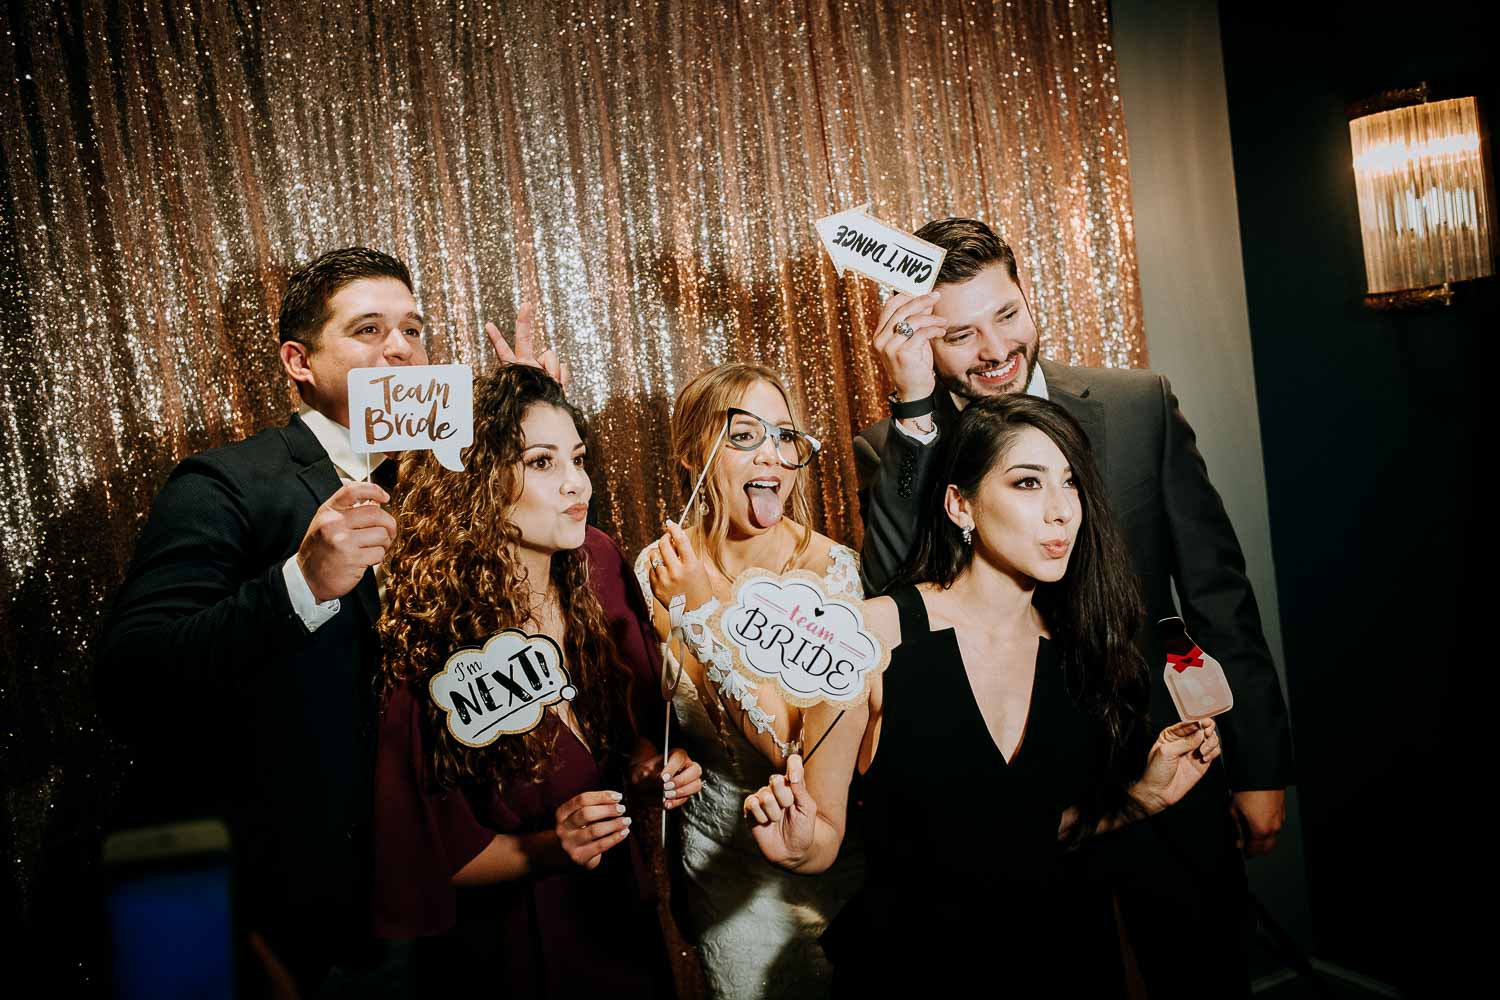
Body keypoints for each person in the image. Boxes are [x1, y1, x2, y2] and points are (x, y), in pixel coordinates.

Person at [852, 217, 1293, 994]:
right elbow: (903, 597)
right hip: (1026, 789)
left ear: (1028, 296)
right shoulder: (900, 448)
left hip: (1165, 760)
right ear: (920, 339)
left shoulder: (1138, 405)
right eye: (959, 333)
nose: (994, 349)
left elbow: (1219, 592)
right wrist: (915, 407)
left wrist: (1259, 764)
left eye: (1007, 314)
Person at [746, 394, 1222, 995]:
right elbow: (824, 837)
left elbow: (1022, 833)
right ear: (959, 505)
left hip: (1065, 959)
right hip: (917, 967)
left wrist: (1138, 799)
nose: (1060, 512)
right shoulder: (869, 636)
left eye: (1071, 484)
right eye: (1027, 483)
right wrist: (797, 848)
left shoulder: (1083, 648)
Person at [101, 248, 431, 988]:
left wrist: (532, 427)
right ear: (299, 361)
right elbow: (131, 679)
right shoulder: (227, 482)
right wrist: (301, 584)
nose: (401, 347)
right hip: (285, 915)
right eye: (368, 329)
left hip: (426, 889)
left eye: (413, 328)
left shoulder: (438, 484)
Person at [372, 364, 702, 996]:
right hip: (516, 948)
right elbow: (426, 851)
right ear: (478, 480)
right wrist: (554, 844)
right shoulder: (430, 629)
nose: (576, 484)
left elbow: (632, 734)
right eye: (542, 463)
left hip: (621, 920)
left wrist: (651, 768)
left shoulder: (598, 561)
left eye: (577, 459)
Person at [635, 363, 864, 1000]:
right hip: (717, 869)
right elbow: (639, 710)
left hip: (819, 862)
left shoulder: (834, 573)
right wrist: (656, 760)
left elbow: (795, 749)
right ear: (690, 452)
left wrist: (704, 614)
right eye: (743, 435)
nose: (773, 454)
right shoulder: (655, 567)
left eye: (786, 437)